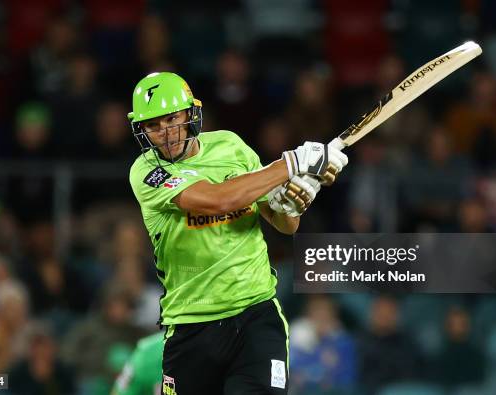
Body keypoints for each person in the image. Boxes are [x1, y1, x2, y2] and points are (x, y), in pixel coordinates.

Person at [127, 72, 348, 394]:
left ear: (190, 113)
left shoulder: (230, 145)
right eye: (153, 126)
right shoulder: (146, 172)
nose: (166, 133)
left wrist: (290, 203)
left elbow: (285, 225)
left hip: (255, 314)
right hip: (192, 323)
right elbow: (219, 201)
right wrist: (293, 164)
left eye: (172, 119)